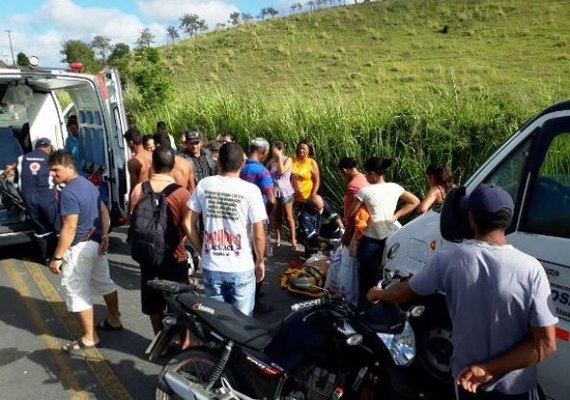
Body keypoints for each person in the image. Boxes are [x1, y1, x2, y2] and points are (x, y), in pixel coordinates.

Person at [367, 184, 558, 399]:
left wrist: (379, 293)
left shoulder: (449, 261)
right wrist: (490, 369)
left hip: (468, 383)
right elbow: (545, 344)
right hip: (516, 388)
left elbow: (403, 292)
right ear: (509, 219)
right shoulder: (531, 269)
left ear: (471, 219)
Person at [47, 149, 122, 353]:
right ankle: (115, 318)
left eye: (56, 170)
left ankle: (90, 337)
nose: (53, 175)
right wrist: (105, 234)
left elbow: (69, 228)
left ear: (70, 167)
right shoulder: (89, 185)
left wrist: (57, 257)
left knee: (77, 292)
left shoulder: (68, 193)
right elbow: (104, 211)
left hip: (79, 247)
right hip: (96, 243)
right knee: (105, 282)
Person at [184, 142, 267, 316]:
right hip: (241, 267)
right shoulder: (251, 191)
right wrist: (260, 260)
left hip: (212, 265)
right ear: (242, 164)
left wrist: (201, 249)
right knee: (241, 326)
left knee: (217, 323)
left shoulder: (205, 185)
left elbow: (187, 222)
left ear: (218, 162)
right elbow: (258, 233)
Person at [129, 147, 192, 348]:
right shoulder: (182, 193)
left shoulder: (139, 189)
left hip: (148, 257)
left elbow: (134, 220)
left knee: (153, 304)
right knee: (179, 302)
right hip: (175, 256)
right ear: (172, 168)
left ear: (152, 165)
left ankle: (160, 343)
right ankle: (184, 342)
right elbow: (187, 226)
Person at [347, 157, 419, 306]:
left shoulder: (365, 191)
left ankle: (363, 310)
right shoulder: (395, 187)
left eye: (367, 174)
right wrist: (395, 216)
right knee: (383, 278)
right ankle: (379, 311)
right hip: (389, 240)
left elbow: (350, 212)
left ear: (373, 174)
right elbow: (415, 201)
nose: (366, 177)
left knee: (366, 281)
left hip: (369, 241)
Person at [240, 137, 276, 313]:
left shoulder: (240, 167)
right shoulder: (262, 171)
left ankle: (250, 292)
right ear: (263, 152)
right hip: (257, 221)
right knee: (258, 258)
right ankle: (254, 300)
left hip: (241, 218)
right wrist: (266, 215)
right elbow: (271, 199)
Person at [19, 137, 61, 261]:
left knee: (40, 228)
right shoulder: (51, 159)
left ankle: (47, 258)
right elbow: (57, 178)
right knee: (57, 225)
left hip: (28, 198)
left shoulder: (23, 158)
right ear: (48, 148)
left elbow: (19, 180)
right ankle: (61, 256)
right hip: (46, 197)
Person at [269, 141, 297, 249]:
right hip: (275, 191)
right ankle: (278, 239)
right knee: (277, 216)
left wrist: (280, 157)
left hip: (286, 191)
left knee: (288, 217)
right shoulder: (271, 161)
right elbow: (266, 172)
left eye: (274, 150)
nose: (272, 152)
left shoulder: (288, 160)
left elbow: (281, 171)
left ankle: (293, 240)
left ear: (280, 150)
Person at [338, 157, 369, 245]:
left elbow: (351, 214)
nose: (342, 176)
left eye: (341, 173)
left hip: (357, 228)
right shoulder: (365, 178)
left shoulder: (353, 186)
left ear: (344, 170)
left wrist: (346, 235)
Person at [291, 139, 320, 207]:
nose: (301, 150)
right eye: (300, 148)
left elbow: (316, 181)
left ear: (309, 151)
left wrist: (312, 196)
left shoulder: (311, 163)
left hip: (306, 198)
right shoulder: (291, 160)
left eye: (304, 149)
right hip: (291, 198)